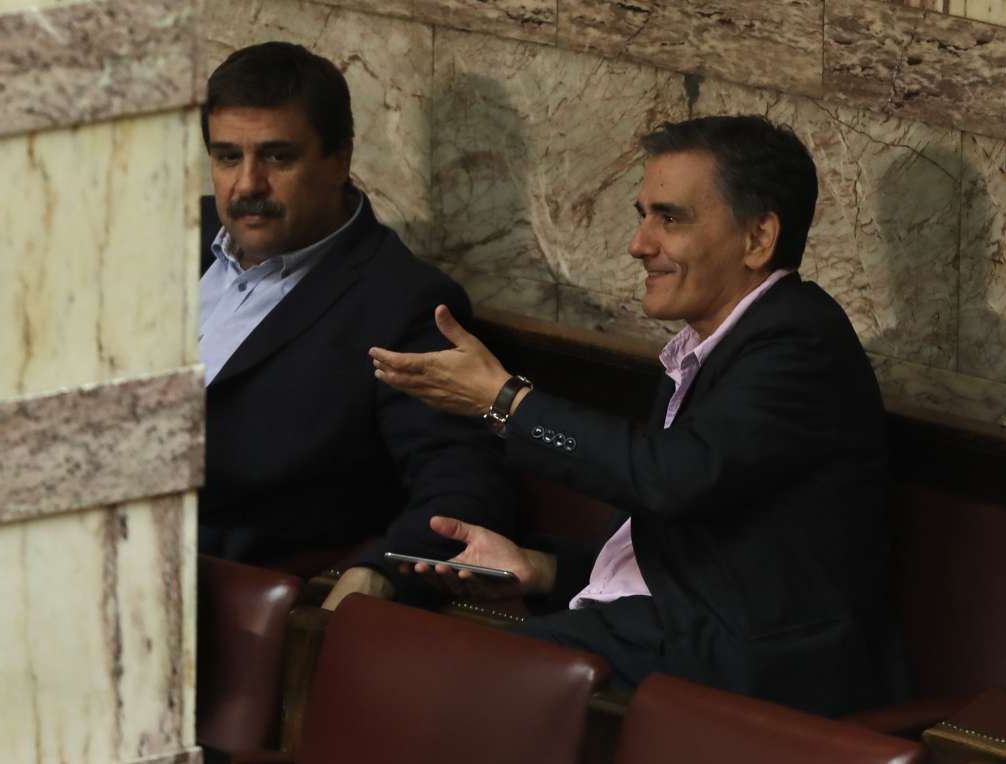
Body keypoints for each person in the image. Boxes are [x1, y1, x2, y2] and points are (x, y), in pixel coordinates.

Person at [370, 115, 909, 716]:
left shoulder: (799, 343)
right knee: (405, 655)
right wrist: (541, 569)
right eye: (643, 215)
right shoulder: (721, 345)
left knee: (435, 677)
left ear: (758, 238)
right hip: (679, 635)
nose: (639, 244)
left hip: (757, 671)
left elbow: (672, 477)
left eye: (670, 219)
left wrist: (505, 401)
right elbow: (685, 550)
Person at [197, 41, 513, 609]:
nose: (246, 185)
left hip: (219, 594)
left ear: (338, 161)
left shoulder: (402, 305)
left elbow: (463, 483)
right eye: (227, 157)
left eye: (277, 158)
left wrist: (381, 572)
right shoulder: (168, 233)